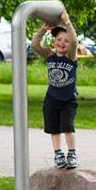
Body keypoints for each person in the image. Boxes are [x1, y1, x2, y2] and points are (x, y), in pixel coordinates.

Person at [31, 10, 79, 169]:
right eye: (59, 39)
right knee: (54, 129)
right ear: (54, 42)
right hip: (52, 98)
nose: (62, 43)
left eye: (66, 40)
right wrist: (44, 29)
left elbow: (74, 42)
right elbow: (35, 45)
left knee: (68, 126)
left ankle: (72, 154)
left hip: (68, 100)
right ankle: (58, 154)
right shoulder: (49, 55)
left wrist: (67, 22)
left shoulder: (71, 56)